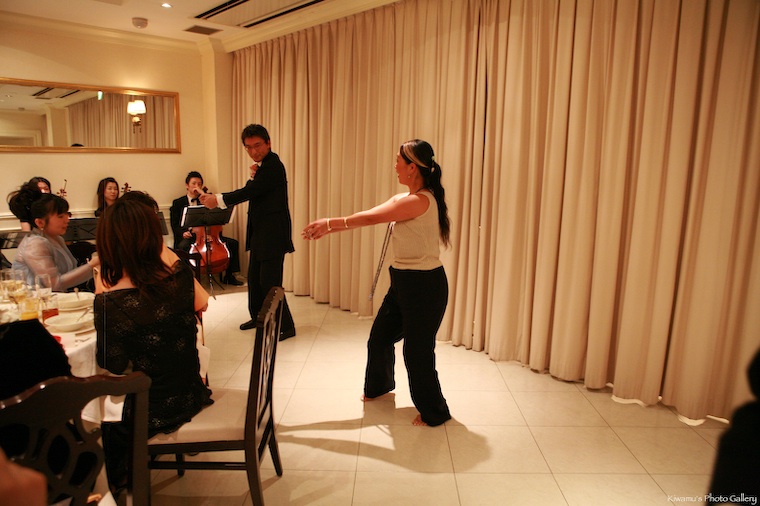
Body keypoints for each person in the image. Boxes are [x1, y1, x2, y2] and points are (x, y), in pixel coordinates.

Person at [302, 139, 452, 427]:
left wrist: (329, 224)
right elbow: (367, 215)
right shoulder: (404, 198)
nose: (394, 165)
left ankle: (436, 411)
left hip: (424, 286)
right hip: (402, 282)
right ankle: (379, 387)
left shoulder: (419, 201)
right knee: (380, 338)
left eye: (398, 160)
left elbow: (370, 219)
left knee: (417, 352)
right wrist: (330, 226)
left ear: (412, 167)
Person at [93, 195, 213, 494]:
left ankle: (116, 483)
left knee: (96, 419)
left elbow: (112, 363)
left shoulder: (111, 301)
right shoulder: (180, 274)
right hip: (191, 390)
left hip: (150, 410)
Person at [199, 124, 296, 339]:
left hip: (273, 234)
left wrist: (219, 200)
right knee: (254, 279)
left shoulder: (273, 165)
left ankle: (286, 326)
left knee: (270, 283)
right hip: (260, 232)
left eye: (257, 145)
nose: (254, 151)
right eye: (248, 147)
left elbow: (249, 192)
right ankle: (258, 317)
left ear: (268, 143)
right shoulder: (262, 167)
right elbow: (254, 190)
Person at [170, 171, 243, 285]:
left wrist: (205, 197)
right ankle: (186, 280)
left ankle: (229, 276)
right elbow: (174, 224)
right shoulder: (178, 203)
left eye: (199, 184)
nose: (196, 186)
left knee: (233, 243)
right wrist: (183, 233)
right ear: (187, 185)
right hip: (189, 237)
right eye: (194, 183)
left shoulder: (207, 200)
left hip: (208, 235)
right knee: (182, 247)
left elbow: (216, 219)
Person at [12, 194, 98, 291]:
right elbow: (54, 284)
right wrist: (92, 265)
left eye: (66, 214)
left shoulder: (57, 238)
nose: (67, 220)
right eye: (60, 216)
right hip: (34, 298)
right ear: (40, 222)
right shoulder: (35, 243)